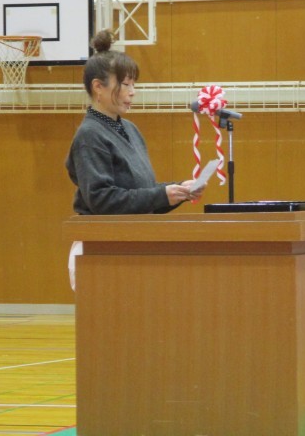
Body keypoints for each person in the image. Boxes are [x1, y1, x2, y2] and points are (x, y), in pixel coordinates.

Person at [65, 30, 205, 289]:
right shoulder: (90, 135)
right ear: (98, 87)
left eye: (133, 85)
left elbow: (139, 195)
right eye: (125, 85)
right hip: (102, 251)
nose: (132, 93)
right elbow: (102, 200)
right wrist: (161, 195)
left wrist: (176, 191)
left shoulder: (130, 129)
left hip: (131, 245)